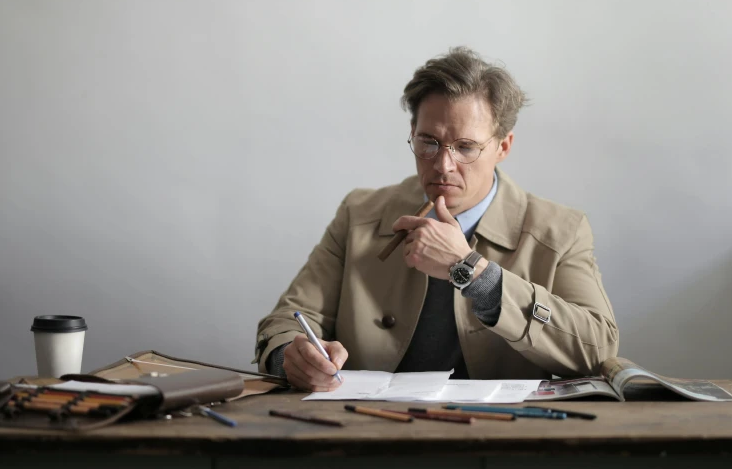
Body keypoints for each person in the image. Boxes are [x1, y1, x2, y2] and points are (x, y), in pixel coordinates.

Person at [254, 47, 618, 392]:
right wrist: (291, 357)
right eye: (428, 142)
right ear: (412, 133)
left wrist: (471, 271)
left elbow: (598, 350)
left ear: (503, 146)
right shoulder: (359, 214)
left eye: (465, 147)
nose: (443, 166)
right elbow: (287, 320)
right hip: (366, 431)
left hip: (501, 439)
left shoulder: (561, 230)